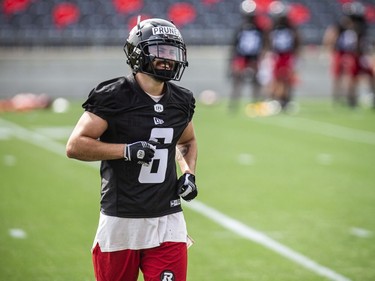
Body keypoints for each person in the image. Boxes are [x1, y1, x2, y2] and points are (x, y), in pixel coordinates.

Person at [66, 17, 198, 281]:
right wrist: (126, 150)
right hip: (121, 218)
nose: (167, 59)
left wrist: (188, 173)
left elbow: (186, 141)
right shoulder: (113, 95)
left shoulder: (181, 99)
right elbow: (75, 145)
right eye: (159, 51)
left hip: (167, 218)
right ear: (138, 53)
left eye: (172, 52)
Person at [323, 1, 375, 108]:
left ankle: (366, 96)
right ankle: (344, 98)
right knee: (345, 77)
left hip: (359, 54)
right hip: (345, 53)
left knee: (366, 75)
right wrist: (329, 50)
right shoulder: (341, 26)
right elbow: (331, 36)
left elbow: (363, 42)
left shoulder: (361, 26)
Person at [228, 0, 269, 113]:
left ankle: (255, 104)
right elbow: (235, 44)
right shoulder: (240, 27)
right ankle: (233, 105)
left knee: (256, 81)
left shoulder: (259, 28)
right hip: (241, 57)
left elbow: (265, 42)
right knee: (237, 80)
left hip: (254, 57)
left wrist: (263, 54)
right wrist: (232, 61)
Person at [267, 0, 301, 110]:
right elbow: (268, 42)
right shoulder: (272, 27)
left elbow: (296, 41)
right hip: (276, 55)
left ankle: (286, 100)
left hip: (287, 55)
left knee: (287, 78)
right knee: (275, 78)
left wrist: (296, 55)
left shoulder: (291, 27)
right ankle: (274, 99)